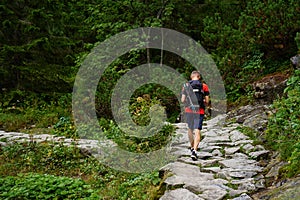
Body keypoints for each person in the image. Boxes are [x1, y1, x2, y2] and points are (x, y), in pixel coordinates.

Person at [181, 71, 210, 160]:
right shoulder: (204, 86)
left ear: (191, 76)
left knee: (190, 129)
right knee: (197, 130)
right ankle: (195, 150)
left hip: (189, 110)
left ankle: (191, 146)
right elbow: (207, 101)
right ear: (199, 77)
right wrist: (204, 102)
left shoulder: (185, 86)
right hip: (199, 111)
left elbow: (182, 100)